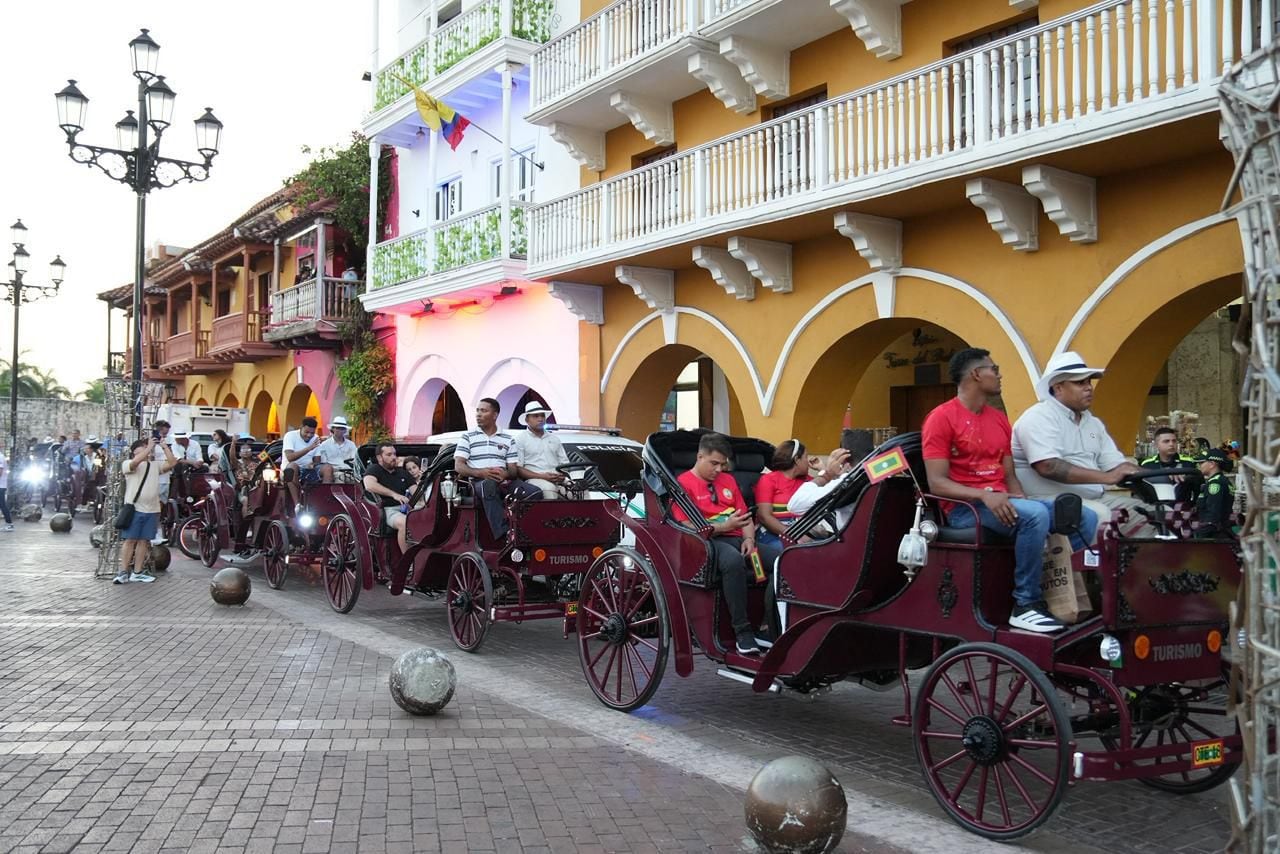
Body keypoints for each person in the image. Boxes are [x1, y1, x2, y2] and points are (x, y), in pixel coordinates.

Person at [924, 348, 1099, 634]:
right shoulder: (941, 418)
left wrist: (1018, 496)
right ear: (976, 374)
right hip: (965, 510)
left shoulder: (999, 419)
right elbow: (937, 483)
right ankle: (1025, 605)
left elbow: (1009, 476)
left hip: (1003, 502)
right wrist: (984, 495)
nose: (999, 374)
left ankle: (1064, 595)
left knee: (1083, 517)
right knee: (1033, 517)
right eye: (994, 369)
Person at [1012, 350, 1147, 537]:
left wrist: (1156, 477)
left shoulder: (1092, 423)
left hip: (1092, 498)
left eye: (1089, 382)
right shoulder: (1038, 417)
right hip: (1047, 502)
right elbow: (1048, 466)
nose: (1089, 387)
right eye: (1079, 382)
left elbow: (1116, 465)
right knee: (1100, 515)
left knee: (1155, 514)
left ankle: (1138, 565)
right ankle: (1086, 567)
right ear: (1058, 388)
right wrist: (1107, 478)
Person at [673, 432, 781, 655]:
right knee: (733, 562)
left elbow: (745, 518)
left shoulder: (728, 480)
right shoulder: (683, 484)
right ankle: (742, 631)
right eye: (714, 463)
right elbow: (686, 525)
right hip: (706, 542)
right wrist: (723, 527)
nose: (719, 470)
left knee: (782, 561)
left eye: (723, 464)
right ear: (700, 457)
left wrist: (750, 539)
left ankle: (768, 626)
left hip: (738, 538)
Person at [455, 398, 542, 539]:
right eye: (478, 410)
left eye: (483, 411)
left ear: (495, 415)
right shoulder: (468, 437)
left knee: (535, 492)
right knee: (488, 485)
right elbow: (458, 466)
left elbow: (513, 471)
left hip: (503, 481)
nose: (478, 414)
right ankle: (504, 534)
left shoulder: (508, 438)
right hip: (477, 483)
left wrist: (505, 475)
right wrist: (481, 473)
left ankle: (522, 527)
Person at [787, 428, 877, 530]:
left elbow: (795, 505)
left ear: (843, 457)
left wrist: (828, 474)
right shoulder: (884, 477)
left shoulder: (849, 482)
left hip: (850, 542)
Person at [116, 437, 177, 585]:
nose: (146, 452)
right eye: (141, 449)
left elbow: (172, 462)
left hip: (152, 509)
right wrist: (149, 448)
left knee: (144, 541)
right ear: (134, 452)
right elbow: (136, 462)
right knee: (130, 540)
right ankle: (123, 572)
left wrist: (164, 447)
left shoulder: (154, 465)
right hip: (135, 508)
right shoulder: (128, 464)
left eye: (147, 449)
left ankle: (137, 572)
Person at [754, 439, 811, 547]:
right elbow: (764, 516)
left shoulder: (807, 480)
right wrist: (794, 534)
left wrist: (823, 470)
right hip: (774, 532)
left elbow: (829, 492)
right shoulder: (769, 480)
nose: (808, 461)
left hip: (803, 529)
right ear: (797, 460)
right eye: (806, 457)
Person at [364, 442, 416, 554]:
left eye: (394, 454)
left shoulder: (403, 473)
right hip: (386, 510)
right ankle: (408, 563)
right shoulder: (374, 469)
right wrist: (394, 494)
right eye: (389, 455)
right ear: (379, 457)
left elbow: (416, 492)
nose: (393, 457)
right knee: (405, 522)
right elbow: (369, 485)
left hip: (407, 508)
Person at [513, 401, 570, 499]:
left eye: (542, 416)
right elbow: (519, 469)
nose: (540, 419)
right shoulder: (520, 439)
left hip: (558, 479)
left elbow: (565, 464)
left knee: (580, 489)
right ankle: (552, 515)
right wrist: (543, 476)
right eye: (535, 416)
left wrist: (561, 476)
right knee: (549, 489)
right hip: (535, 479)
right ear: (527, 420)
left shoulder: (554, 439)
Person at [281, 416, 324, 512]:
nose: (309, 435)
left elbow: (317, 460)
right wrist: (309, 448)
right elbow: (290, 457)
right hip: (290, 470)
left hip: (308, 469)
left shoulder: (316, 438)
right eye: (306, 432)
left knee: (327, 468)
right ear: (301, 427)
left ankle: (324, 501)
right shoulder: (290, 435)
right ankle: (297, 505)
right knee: (293, 466)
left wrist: (313, 464)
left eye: (312, 433)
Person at [1194, 448, 1236, 538]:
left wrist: (1201, 536)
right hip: (1220, 532)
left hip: (1214, 536)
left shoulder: (1215, 483)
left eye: (1201, 462)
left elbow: (1213, 513)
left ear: (1212, 464)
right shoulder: (1223, 481)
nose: (1199, 465)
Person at [315, 416, 358, 483]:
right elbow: (324, 462)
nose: (340, 431)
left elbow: (355, 460)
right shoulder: (325, 445)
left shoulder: (351, 444)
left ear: (345, 430)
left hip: (350, 471)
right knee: (340, 479)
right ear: (333, 429)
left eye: (342, 428)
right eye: (337, 428)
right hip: (334, 472)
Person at [0, 444, 12, 531]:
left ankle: (9, 524)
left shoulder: (0, 457)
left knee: (2, 505)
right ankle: (9, 523)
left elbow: (0, 472)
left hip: (1, 485)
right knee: (2, 504)